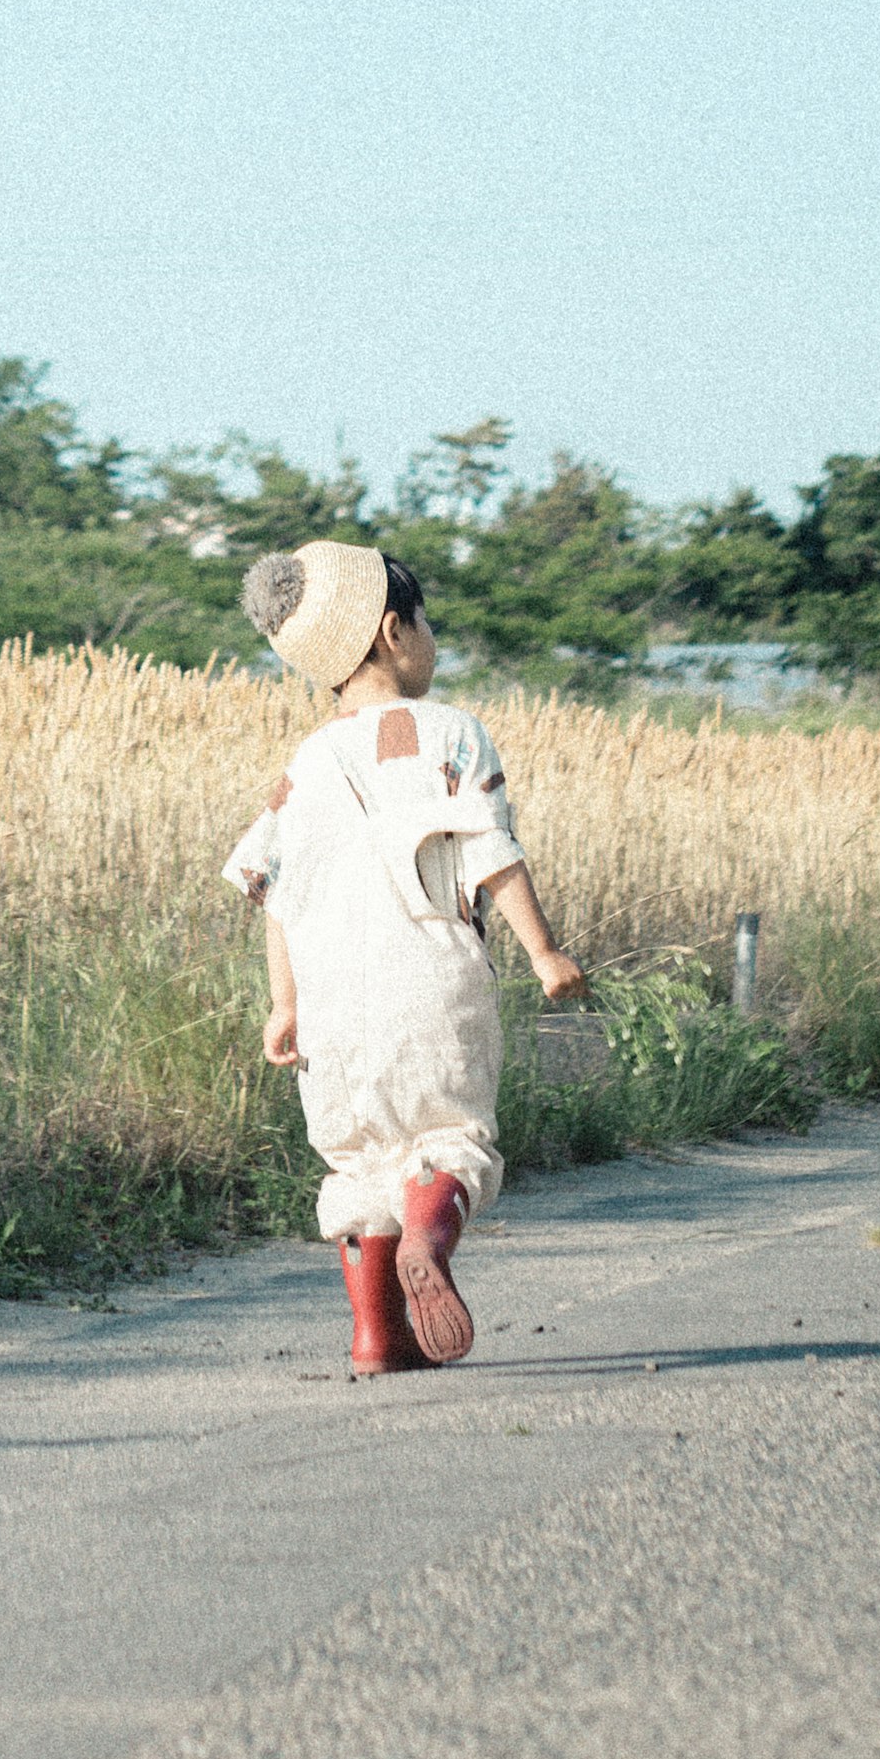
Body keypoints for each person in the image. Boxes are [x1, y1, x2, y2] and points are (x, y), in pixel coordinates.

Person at [222, 537, 589, 1378]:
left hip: (331, 1011)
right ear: (394, 631)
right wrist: (544, 951)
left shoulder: (308, 763)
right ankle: (432, 1226)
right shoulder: (453, 734)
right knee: (452, 1138)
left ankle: (377, 1339)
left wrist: (284, 1006)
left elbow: (276, 891)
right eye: (424, 621)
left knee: (357, 1165)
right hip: (432, 980)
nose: (430, 637)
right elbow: (492, 849)